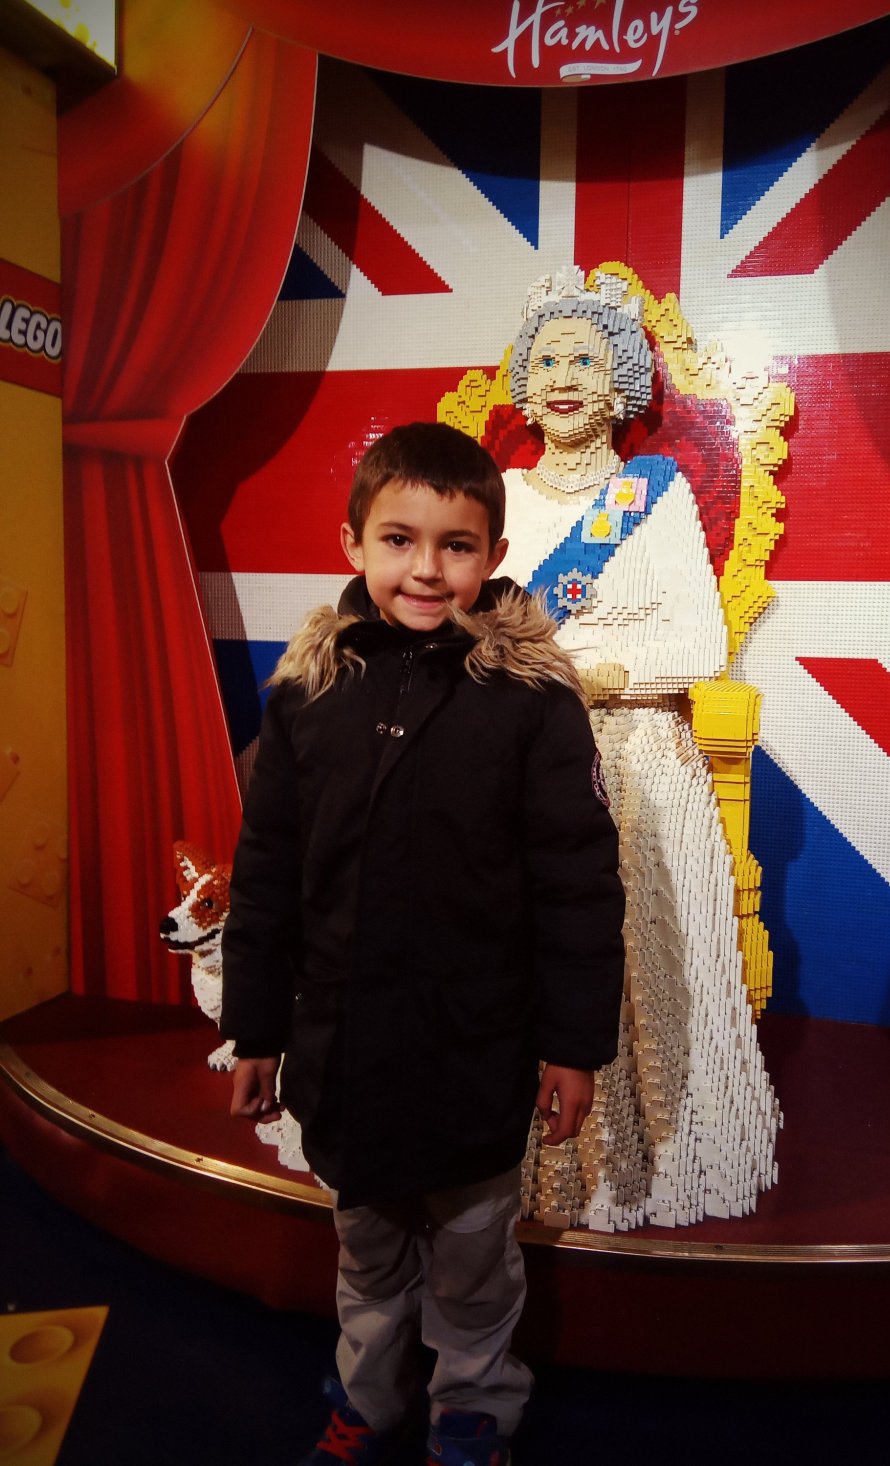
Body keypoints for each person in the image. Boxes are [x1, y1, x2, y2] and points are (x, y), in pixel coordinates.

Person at [219, 421, 625, 1466]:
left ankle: (474, 1405)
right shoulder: (307, 693)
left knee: (473, 1255)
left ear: (494, 555)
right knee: (365, 1251)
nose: (427, 569)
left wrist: (573, 1045)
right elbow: (267, 875)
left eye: (456, 545)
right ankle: (368, 1396)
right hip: (343, 1046)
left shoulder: (532, 699)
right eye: (399, 540)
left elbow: (577, 884)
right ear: (353, 542)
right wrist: (255, 1030)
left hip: (472, 1045)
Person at [498, 267, 781, 1231]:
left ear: (618, 378)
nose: (562, 378)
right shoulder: (499, 498)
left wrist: (599, 674)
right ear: (523, 382)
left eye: (583, 359)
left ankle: (644, 1156)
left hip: (636, 755)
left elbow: (699, 645)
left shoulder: (652, 497)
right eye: (546, 360)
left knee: (628, 960)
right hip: (519, 750)